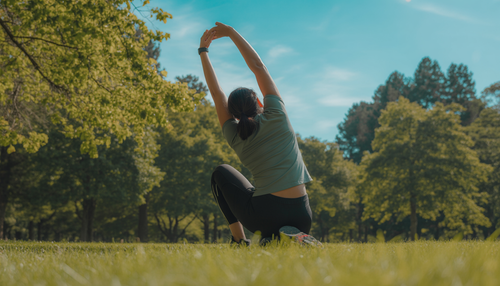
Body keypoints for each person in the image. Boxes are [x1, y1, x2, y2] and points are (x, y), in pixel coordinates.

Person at [199, 22, 320, 246]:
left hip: (266, 215)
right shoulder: (277, 114)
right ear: (258, 101)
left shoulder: (234, 134)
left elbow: (217, 94)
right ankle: (284, 237)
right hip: (303, 215)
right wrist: (231, 33)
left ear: (233, 114)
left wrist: (203, 52)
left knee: (220, 173)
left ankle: (241, 241)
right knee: (262, 199)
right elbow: (258, 67)